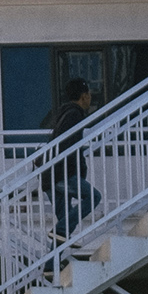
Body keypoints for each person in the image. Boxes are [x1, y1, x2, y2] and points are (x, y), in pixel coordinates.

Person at [43, 77, 100, 238]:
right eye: (89, 94)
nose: (90, 98)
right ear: (84, 96)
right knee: (94, 197)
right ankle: (60, 231)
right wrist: (78, 173)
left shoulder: (65, 113)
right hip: (61, 174)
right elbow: (68, 146)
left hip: (50, 175)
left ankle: (50, 263)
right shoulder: (74, 115)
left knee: (64, 226)